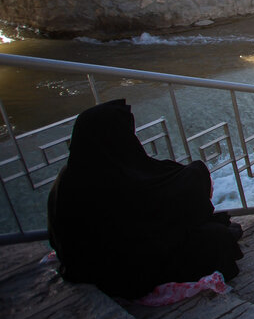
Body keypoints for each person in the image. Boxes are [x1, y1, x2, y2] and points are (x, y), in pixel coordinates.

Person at [47, 99, 243, 300]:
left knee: (207, 226)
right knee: (218, 239)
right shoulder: (108, 178)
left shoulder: (76, 174)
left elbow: (150, 183)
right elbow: (155, 199)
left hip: (83, 262)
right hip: (120, 268)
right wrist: (199, 176)